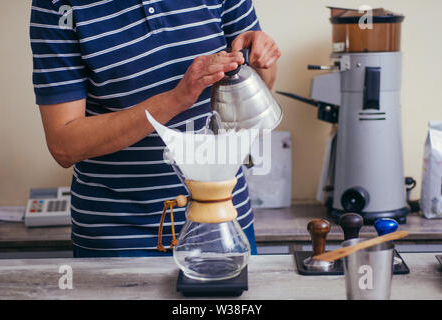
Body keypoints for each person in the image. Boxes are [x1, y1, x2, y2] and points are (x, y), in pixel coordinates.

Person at [30, 0, 280, 258]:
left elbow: (264, 81)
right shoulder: (57, 6)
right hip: (119, 235)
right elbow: (64, 145)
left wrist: (261, 58)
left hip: (223, 220)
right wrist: (175, 100)